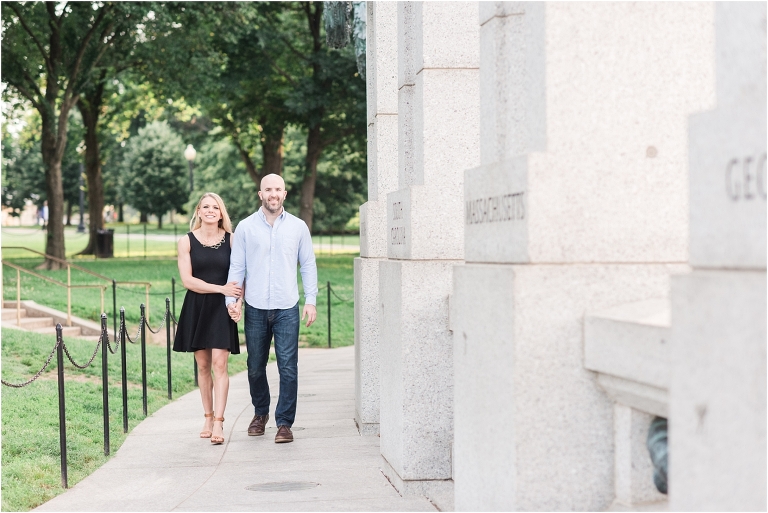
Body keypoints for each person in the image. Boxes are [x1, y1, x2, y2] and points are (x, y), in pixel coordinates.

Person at [225, 173, 317, 444]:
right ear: (260, 194)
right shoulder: (245, 228)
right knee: (255, 366)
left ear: (285, 194)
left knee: (288, 367)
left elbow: (308, 265)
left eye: (278, 189)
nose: (273, 194)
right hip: (255, 307)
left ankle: (285, 423)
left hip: (287, 307)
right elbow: (237, 267)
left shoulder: (299, 227)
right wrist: (232, 300)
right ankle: (260, 412)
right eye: (268, 189)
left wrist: (310, 300)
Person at [173, 193, 242, 445]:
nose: (211, 211)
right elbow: (187, 281)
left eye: (216, 207)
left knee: (220, 365)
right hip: (197, 306)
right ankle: (207, 416)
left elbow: (239, 277)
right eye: (206, 207)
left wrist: (237, 301)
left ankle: (220, 422)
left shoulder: (233, 241)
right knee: (203, 366)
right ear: (198, 211)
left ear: (221, 213)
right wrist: (220, 288)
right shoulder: (186, 241)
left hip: (222, 309)